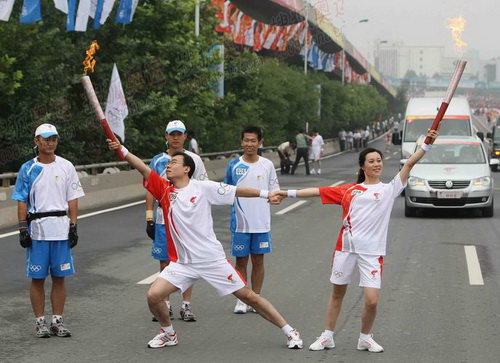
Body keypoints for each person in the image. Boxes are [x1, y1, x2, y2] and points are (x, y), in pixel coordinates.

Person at [106, 139, 303, 350]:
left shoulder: (203, 188)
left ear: (187, 168)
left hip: (211, 260)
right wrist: (121, 149)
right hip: (183, 263)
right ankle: (168, 333)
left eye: (173, 162)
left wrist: (266, 194)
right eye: (168, 163)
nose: (168, 165)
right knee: (154, 296)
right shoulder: (165, 191)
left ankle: (290, 331)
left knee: (249, 297)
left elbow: (236, 190)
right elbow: (143, 168)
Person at [271, 129, 438, 353]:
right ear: (363, 166)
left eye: (379, 160)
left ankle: (365, 337)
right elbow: (317, 192)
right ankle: (327, 335)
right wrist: (287, 193)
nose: (377, 164)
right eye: (371, 161)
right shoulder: (349, 190)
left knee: (371, 300)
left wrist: (427, 143)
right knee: (338, 293)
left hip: (372, 253)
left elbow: (408, 164)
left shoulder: (389, 190)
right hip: (346, 250)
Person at [12, 123, 85, 338]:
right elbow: (21, 201)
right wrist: (22, 228)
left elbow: (72, 199)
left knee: (60, 277)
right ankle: (39, 322)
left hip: (61, 229)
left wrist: (73, 226)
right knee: (37, 278)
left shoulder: (66, 166)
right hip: (38, 231)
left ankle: (57, 321)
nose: (50, 142)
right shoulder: (28, 168)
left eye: (53, 138)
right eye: (45, 138)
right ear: (37, 141)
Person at [146, 120, 208, 322]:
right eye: (171, 134)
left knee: (186, 262)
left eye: (179, 134)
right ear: (166, 136)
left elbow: (202, 187)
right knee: (165, 261)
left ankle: (186, 306)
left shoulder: (194, 160)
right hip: (164, 220)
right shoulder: (157, 160)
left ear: (184, 136)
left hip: (185, 221)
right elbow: (150, 188)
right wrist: (149, 216)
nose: (175, 137)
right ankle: (165, 304)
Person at [224, 126, 280, 314]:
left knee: (258, 260)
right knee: (241, 261)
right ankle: (242, 299)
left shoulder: (267, 165)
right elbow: (226, 191)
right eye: (246, 140)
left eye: (253, 140)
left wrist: (276, 198)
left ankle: (255, 297)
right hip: (240, 223)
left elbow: (274, 190)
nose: (249, 144)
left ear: (260, 142)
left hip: (261, 222)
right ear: (241, 142)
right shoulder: (234, 165)